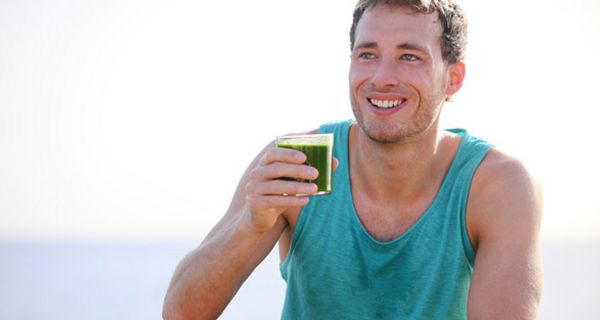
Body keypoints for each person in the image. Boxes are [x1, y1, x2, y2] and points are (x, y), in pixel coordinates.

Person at [163, 0, 543, 319]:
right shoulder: (296, 162)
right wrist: (251, 223)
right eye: (368, 54)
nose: (382, 77)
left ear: (453, 78)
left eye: (409, 56)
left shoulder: (496, 186)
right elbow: (181, 312)